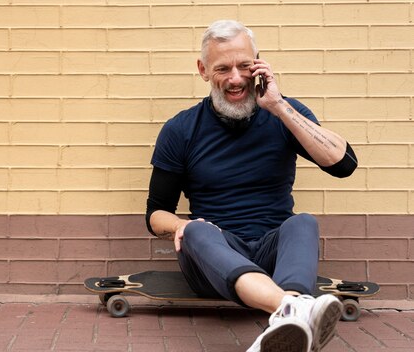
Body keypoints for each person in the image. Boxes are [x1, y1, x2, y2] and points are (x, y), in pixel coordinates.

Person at [145, 20, 358, 352]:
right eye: (223, 68)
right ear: (203, 70)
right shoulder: (181, 130)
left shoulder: (284, 113)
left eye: (245, 65)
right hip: (213, 262)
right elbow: (156, 213)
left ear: (258, 63)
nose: (235, 78)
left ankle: (288, 313)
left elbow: (344, 165)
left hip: (274, 260)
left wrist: (278, 106)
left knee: (303, 222)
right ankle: (296, 307)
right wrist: (181, 227)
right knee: (197, 230)